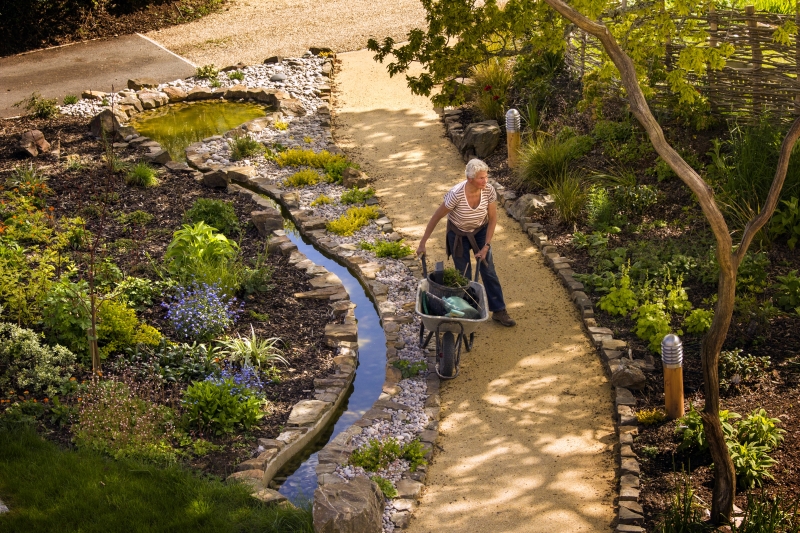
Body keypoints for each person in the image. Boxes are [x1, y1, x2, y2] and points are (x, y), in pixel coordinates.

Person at [416, 158, 516, 327]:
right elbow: (436, 217)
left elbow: (492, 220)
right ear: (470, 179)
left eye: (486, 177)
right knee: (464, 276)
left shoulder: (489, 191)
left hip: (480, 232)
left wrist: (486, 246)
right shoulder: (456, 194)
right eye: (481, 178)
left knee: (488, 271)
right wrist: (422, 243)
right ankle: (467, 313)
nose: (486, 181)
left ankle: (499, 311)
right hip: (458, 235)